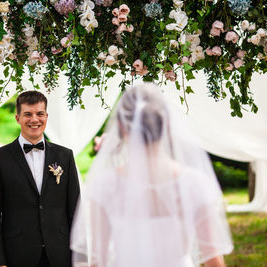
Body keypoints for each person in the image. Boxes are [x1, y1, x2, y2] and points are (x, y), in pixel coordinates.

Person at [70, 83, 233, 267]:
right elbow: (214, 261)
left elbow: (98, 262)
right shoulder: (195, 183)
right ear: (167, 123)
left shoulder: (104, 186)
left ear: (122, 127)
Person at [0, 91, 80, 267]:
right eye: (28, 114)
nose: (34, 119)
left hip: (60, 255)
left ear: (46, 116)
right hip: (17, 255)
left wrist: (79, 258)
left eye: (39, 114)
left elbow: (75, 212)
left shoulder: (65, 155)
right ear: (17, 118)